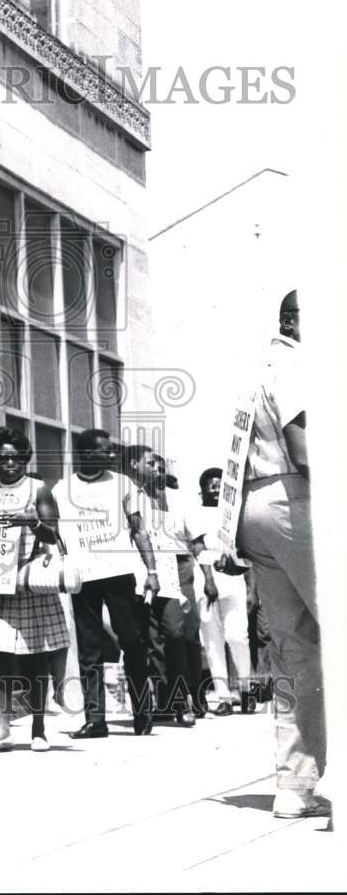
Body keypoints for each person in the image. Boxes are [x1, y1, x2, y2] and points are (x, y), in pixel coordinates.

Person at [235, 291, 327, 819]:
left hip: (254, 507)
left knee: (295, 652)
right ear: (294, 320)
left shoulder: (257, 370)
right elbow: (304, 448)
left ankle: (294, 788)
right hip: (295, 500)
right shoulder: (296, 365)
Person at [0, 427, 69, 753]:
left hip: (30, 586)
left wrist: (32, 522)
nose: (10, 462)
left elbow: (55, 536)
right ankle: (2, 728)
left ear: (24, 458)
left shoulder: (37, 489)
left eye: (15, 456)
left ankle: (38, 728)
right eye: (3, 458)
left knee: (34, 660)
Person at [51, 429, 152, 738]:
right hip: (83, 577)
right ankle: (96, 719)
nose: (111, 455)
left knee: (132, 642)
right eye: (105, 451)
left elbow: (139, 529)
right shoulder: (60, 490)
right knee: (89, 649)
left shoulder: (123, 484)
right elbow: (55, 535)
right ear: (84, 454)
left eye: (111, 450)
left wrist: (153, 571)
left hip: (119, 572)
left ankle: (142, 712)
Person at [125, 446, 200, 726]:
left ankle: (182, 699)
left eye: (159, 463)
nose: (158, 467)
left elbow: (195, 538)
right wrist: (147, 571)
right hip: (140, 573)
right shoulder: (131, 496)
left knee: (175, 633)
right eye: (151, 463)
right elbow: (136, 531)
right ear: (135, 465)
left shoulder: (175, 498)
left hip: (169, 570)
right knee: (151, 640)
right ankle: (166, 702)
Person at [194, 467, 256, 715]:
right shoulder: (196, 512)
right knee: (212, 640)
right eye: (211, 484)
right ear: (203, 488)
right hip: (205, 583)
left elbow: (246, 554)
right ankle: (223, 697)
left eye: (220, 484)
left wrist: (253, 590)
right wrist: (209, 580)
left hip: (234, 582)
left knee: (238, 636)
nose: (216, 488)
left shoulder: (234, 514)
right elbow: (198, 548)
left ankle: (246, 690)